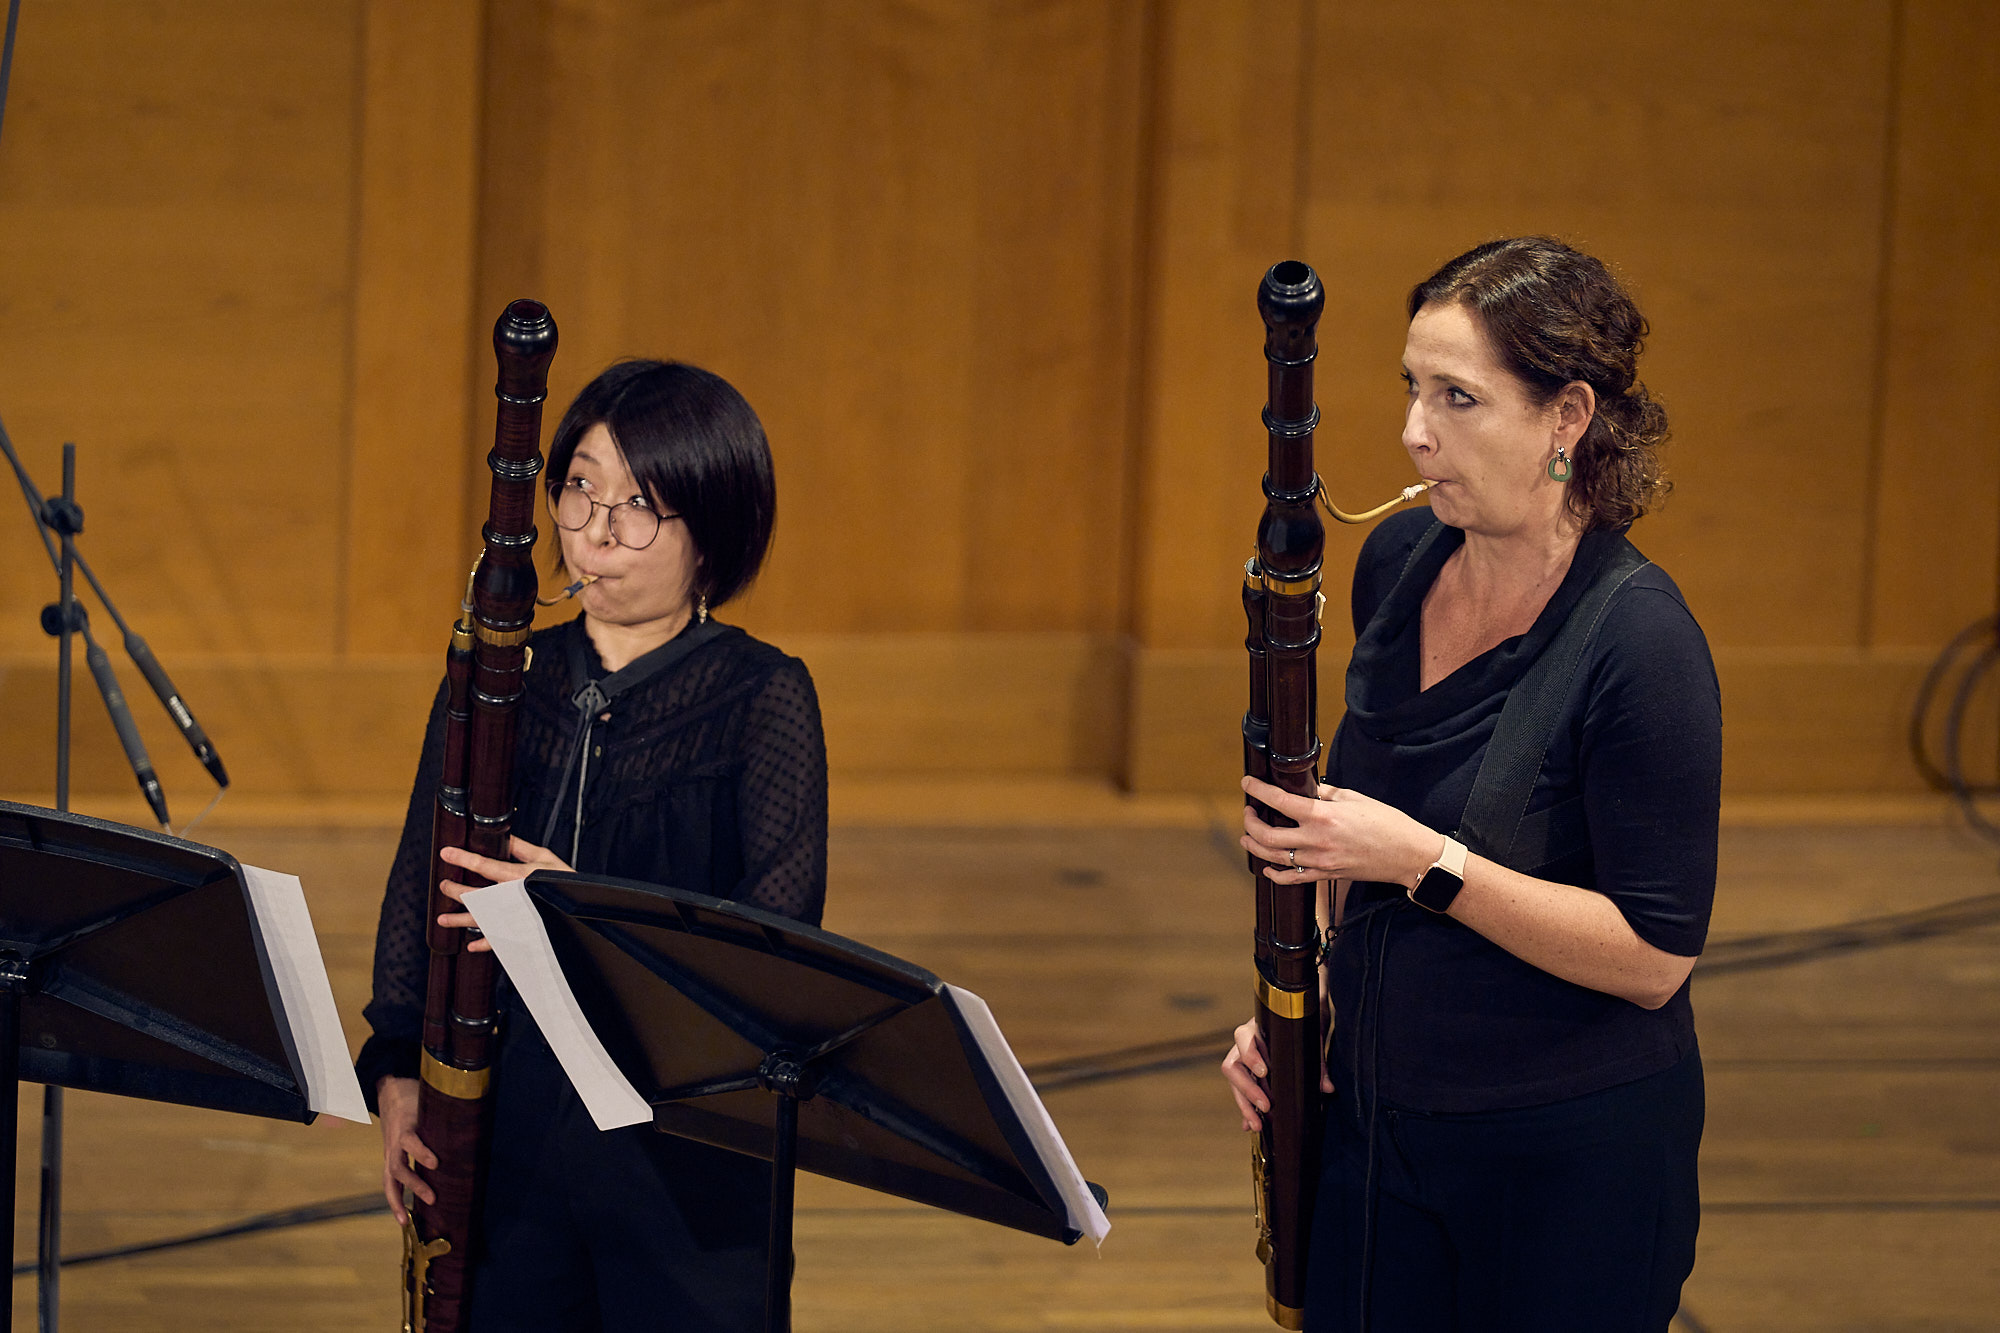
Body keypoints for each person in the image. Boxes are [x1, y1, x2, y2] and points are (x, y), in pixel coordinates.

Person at [1222, 237, 1719, 1333]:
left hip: (1564, 1160)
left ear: (1565, 418)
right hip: (1379, 1125)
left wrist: (1424, 863)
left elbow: (1651, 957)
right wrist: (1286, 1013)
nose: (1412, 431)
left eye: (1456, 397)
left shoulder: (1639, 644)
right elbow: (1334, 827)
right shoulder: (1396, 562)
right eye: (1411, 388)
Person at [356, 359, 828, 1332]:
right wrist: (399, 1066)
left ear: (714, 528)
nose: (596, 530)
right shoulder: (500, 674)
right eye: (579, 487)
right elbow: (420, 878)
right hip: (513, 1123)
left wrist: (587, 908)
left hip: (687, 1141)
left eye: (640, 503)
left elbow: (776, 936)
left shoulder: (763, 697)